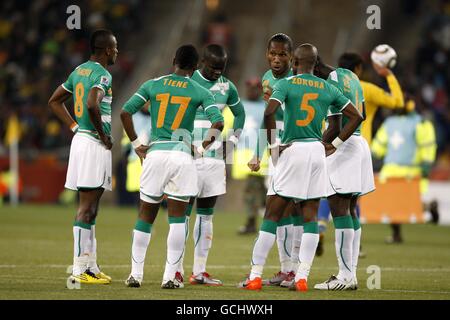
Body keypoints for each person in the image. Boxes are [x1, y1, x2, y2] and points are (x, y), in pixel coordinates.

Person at [239, 43, 363, 292]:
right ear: (315, 64)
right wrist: (335, 144)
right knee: (310, 217)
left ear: (294, 63)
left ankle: (254, 276)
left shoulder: (286, 84)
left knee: (272, 215)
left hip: (292, 149)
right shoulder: (328, 87)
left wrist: (273, 144)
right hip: (317, 152)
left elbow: (269, 112)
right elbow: (357, 116)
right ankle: (301, 278)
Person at [121, 45, 224, 289]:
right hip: (182, 157)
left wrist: (137, 144)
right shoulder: (199, 90)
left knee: (145, 217)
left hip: (155, 154)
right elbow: (218, 122)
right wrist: (200, 148)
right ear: (196, 65)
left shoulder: (153, 84)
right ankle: (169, 277)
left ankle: (136, 274)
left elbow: (125, 112)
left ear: (173, 60)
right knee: (178, 220)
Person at [316, 52, 404, 256]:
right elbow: (396, 102)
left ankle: (344, 270)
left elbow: (341, 121)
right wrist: (389, 75)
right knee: (352, 203)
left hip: (341, 143)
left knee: (334, 201)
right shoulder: (357, 82)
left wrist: (326, 144)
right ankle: (354, 255)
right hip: (361, 144)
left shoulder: (330, 84)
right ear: (357, 69)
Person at [48, 29, 117, 285]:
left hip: (82, 140)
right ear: (108, 50)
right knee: (86, 207)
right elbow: (91, 103)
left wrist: (74, 126)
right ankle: (78, 269)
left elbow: (54, 101)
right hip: (93, 144)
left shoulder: (79, 70)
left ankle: (91, 265)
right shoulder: (103, 75)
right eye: (115, 47)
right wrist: (104, 135)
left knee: (92, 207)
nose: (117, 51)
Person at [178, 44, 245, 286]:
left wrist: (233, 141)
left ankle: (199, 271)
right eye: (213, 67)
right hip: (186, 156)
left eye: (222, 68)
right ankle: (175, 269)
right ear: (201, 63)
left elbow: (240, 115)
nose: (218, 72)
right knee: (181, 215)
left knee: (206, 215)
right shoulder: (187, 81)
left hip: (214, 158)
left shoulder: (228, 87)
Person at [312, 55, 375, 290]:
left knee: (338, 209)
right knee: (350, 210)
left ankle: (344, 276)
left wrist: (320, 146)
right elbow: (363, 114)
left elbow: (335, 126)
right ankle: (351, 275)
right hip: (358, 143)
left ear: (316, 66)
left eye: (308, 71)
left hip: (345, 147)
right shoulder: (351, 76)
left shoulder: (329, 83)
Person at [247, 33, 301, 287]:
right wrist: (259, 151)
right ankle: (287, 269)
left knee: (290, 208)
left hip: (296, 143)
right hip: (276, 146)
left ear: (292, 56)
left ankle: (293, 270)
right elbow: (266, 118)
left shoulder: (298, 81)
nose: (276, 59)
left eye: (282, 54)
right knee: (280, 208)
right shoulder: (268, 79)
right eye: (273, 53)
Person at [371, 96, 438, 243]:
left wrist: (371, 156)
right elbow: (428, 145)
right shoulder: (421, 123)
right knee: (409, 203)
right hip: (411, 171)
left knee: (391, 204)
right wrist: (427, 164)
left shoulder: (389, 123)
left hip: (390, 171)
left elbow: (377, 149)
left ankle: (396, 234)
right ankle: (427, 207)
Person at [230, 77, 267, 235]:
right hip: (242, 157)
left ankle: (253, 222)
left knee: (254, 190)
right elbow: (225, 128)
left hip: (262, 156)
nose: (253, 90)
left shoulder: (267, 107)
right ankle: (261, 216)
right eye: (250, 87)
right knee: (256, 190)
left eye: (256, 87)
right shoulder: (237, 106)